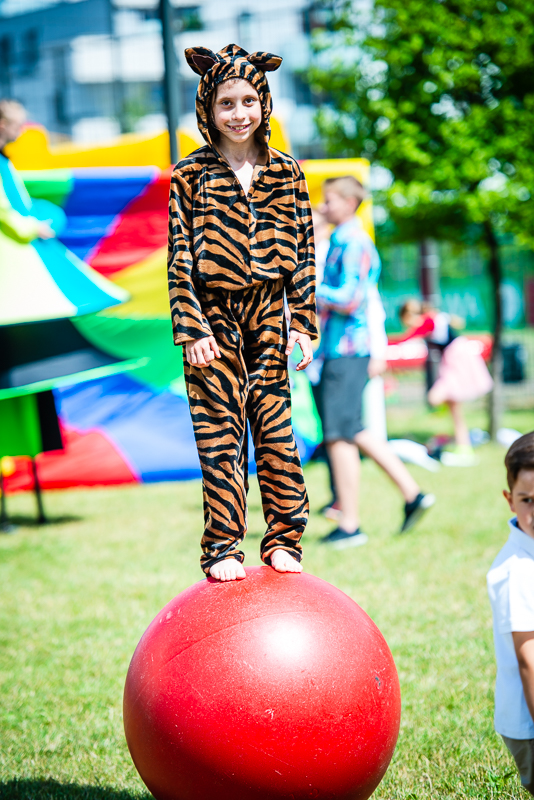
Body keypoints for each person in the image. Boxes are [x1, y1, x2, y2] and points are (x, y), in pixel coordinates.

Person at [167, 44, 317, 581]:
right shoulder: (190, 174)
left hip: (269, 314)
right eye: (226, 103)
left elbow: (304, 252)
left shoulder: (287, 172)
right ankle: (223, 548)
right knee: (219, 436)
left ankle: (284, 539)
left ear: (265, 103)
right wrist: (191, 328)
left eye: (248, 101)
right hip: (211, 319)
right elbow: (179, 255)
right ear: (208, 109)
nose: (238, 113)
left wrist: (303, 324)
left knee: (276, 432)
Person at [315, 176, 434, 548]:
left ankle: (350, 525)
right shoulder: (340, 240)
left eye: (329, 200)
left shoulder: (353, 242)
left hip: (347, 351)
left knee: (338, 435)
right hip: (338, 350)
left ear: (350, 203)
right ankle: (413, 494)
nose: (323, 206)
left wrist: (304, 286)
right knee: (353, 429)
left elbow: (350, 298)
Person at [487, 432, 534, 796]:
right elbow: (529, 660)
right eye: (527, 500)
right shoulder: (517, 570)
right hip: (529, 723)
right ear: (509, 500)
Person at [398, 299, 493, 465]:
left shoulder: (428, 320)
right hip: (454, 357)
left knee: (435, 397)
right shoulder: (434, 318)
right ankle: (463, 446)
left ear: (408, 315)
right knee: (455, 409)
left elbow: (408, 338)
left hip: (457, 358)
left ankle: (447, 436)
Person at [0, 99, 55, 243]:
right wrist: (33, 228)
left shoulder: (4, 158)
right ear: (3, 125)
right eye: (18, 126)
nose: (22, 131)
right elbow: (2, 209)